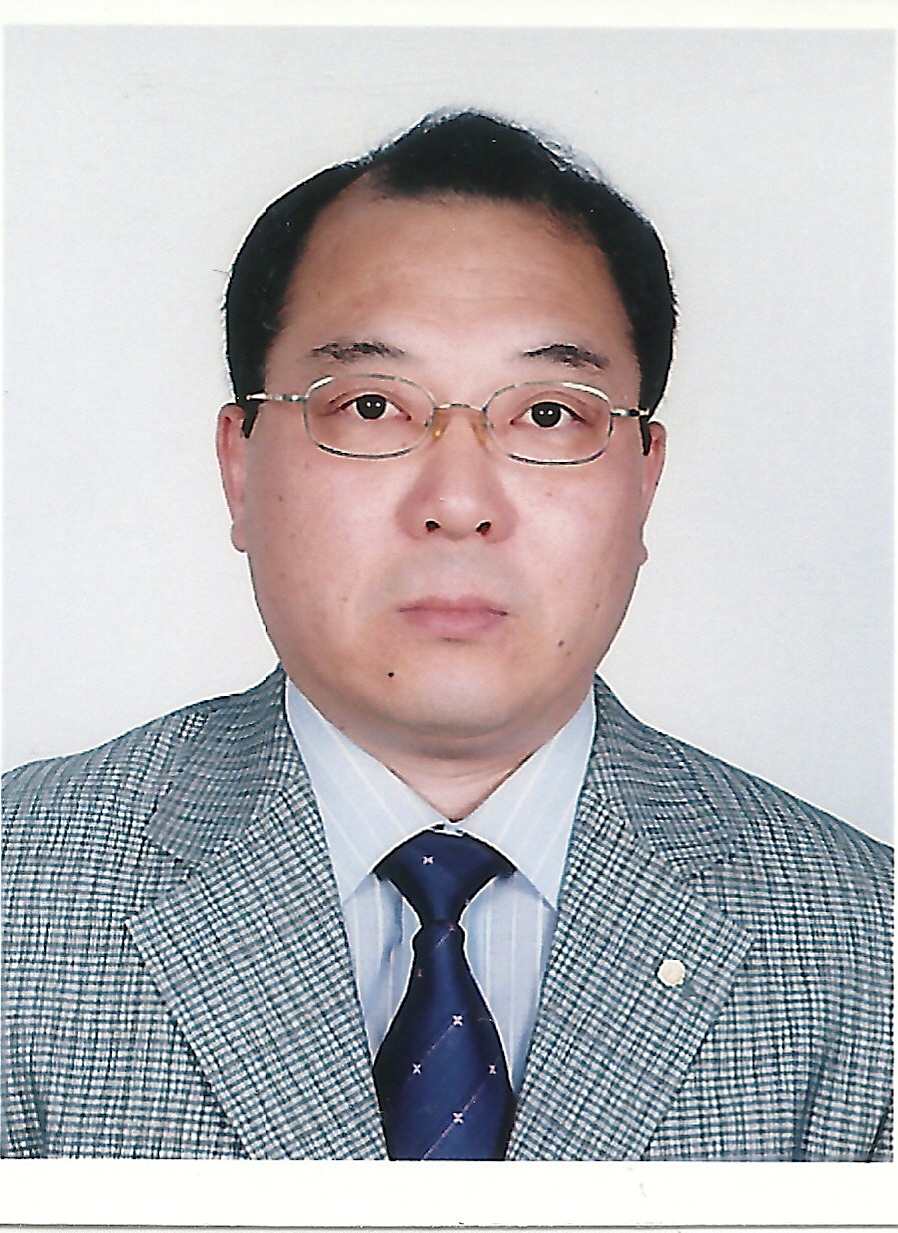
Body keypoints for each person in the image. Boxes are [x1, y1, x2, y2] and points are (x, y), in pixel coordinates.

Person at [2, 110, 891, 1162]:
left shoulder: (864, 947)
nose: (459, 503)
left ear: (644, 479)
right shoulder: (24, 895)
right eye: (372, 406)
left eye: (548, 415)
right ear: (240, 466)